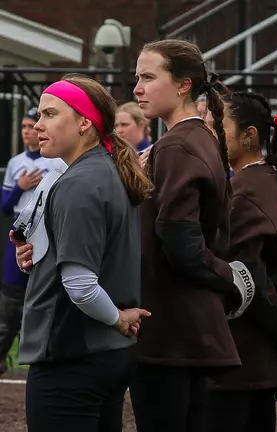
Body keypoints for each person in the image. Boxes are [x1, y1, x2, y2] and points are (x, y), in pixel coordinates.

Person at [11, 74, 152, 431]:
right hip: (105, 354)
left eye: (50, 114)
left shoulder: (80, 182)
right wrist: (37, 253)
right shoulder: (108, 170)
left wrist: (117, 318)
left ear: (85, 122)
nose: (39, 125)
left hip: (72, 355)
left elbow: (80, 284)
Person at [130, 39, 255, 432]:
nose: (137, 88)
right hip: (190, 326)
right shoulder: (196, 139)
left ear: (183, 85)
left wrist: (228, 281)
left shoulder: (178, 145)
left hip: (170, 328)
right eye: (137, 77)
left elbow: (181, 243)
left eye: (148, 77)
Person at [205, 89, 277, 432]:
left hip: (242, 353)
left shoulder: (248, 188)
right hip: (256, 355)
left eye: (219, 125)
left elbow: (248, 278)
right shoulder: (261, 180)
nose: (212, 132)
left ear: (249, 136)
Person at [0, 107, 67, 375]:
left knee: (49, 296)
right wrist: (20, 186)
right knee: (10, 303)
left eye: (33, 124)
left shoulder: (57, 160)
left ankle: (49, 359)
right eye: (25, 126)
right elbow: (5, 207)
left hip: (49, 232)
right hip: (21, 231)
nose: (29, 130)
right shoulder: (16, 163)